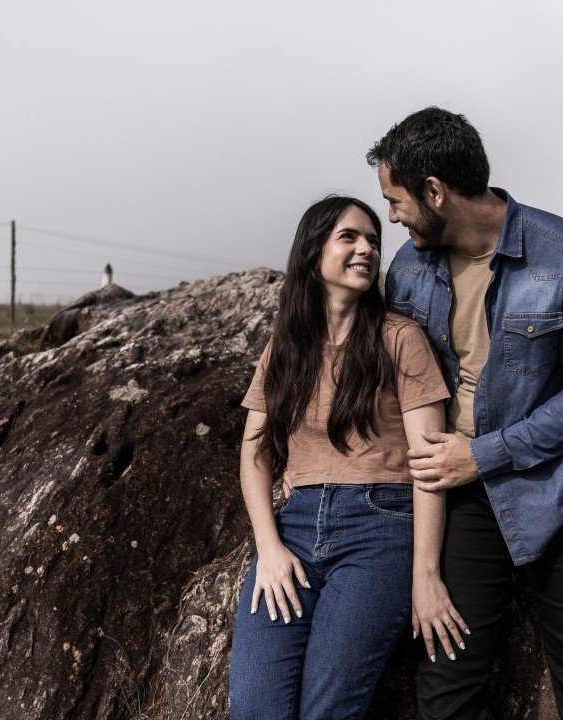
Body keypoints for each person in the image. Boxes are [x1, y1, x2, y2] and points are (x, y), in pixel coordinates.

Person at [368, 108, 563, 719]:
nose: (393, 217)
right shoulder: (407, 270)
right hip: (461, 497)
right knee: (447, 689)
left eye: (396, 200)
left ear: (434, 191)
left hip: (562, 492)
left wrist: (482, 454)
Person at [228, 195, 468, 720]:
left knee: (329, 709)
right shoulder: (286, 345)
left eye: (373, 241)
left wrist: (425, 575)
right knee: (254, 706)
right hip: (294, 529)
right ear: (314, 250)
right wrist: (269, 548)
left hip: (380, 531)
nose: (366, 249)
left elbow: (429, 465)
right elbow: (255, 453)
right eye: (349, 237)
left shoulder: (400, 339)